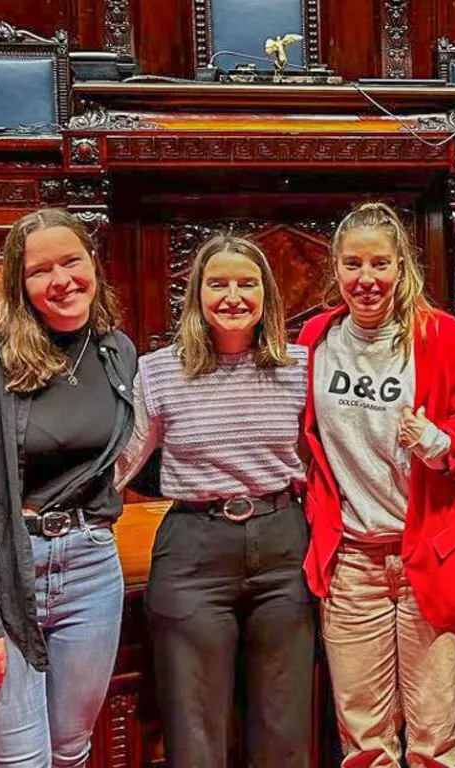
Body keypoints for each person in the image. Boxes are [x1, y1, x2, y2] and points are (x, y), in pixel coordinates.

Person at [0, 208, 139, 768]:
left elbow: (129, 453)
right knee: (20, 761)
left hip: (91, 566)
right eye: (40, 270)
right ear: (19, 284)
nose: (62, 280)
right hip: (6, 571)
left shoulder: (116, 350)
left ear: (93, 264)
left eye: (72, 261)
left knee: (72, 750)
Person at [300, 202, 455, 768]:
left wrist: (438, 443)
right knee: (365, 744)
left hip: (431, 560)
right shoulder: (314, 339)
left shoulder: (448, 339)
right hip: (352, 562)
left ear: (403, 266)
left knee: (436, 742)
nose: (367, 280)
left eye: (380, 264)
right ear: (335, 270)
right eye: (353, 265)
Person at [115, 235, 313, 768]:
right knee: (195, 726)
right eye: (217, 283)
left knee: (284, 724)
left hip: (283, 544)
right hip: (193, 551)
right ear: (196, 295)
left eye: (247, 283)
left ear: (267, 294)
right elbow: (126, 459)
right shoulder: (159, 370)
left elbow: (326, 452)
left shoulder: (300, 366)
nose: (233, 296)